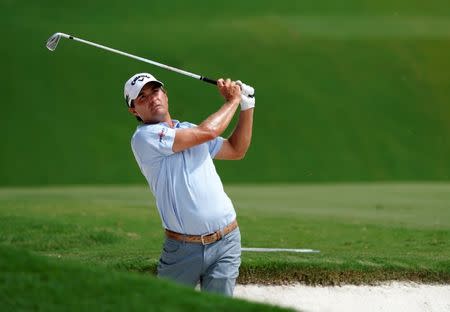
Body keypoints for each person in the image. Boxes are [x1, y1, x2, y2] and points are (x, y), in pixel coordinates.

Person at [123, 72, 255, 296]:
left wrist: (246, 105)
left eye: (155, 90)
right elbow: (208, 131)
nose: (152, 97)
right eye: (142, 97)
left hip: (227, 240)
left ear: (165, 95)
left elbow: (236, 150)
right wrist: (232, 100)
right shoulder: (144, 138)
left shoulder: (187, 128)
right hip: (182, 249)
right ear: (134, 110)